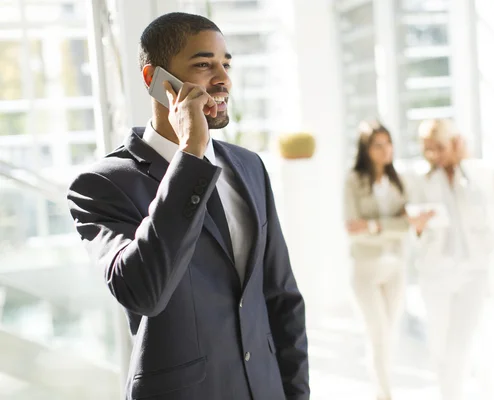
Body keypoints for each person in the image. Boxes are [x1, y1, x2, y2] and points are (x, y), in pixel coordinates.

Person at [66, 12, 308, 400]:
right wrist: (190, 155)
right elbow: (144, 292)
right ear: (155, 80)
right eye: (203, 65)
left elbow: (281, 296)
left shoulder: (249, 166)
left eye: (225, 64)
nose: (223, 78)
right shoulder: (102, 185)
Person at [407, 119, 494, 400]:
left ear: (454, 143)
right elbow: (412, 232)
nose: (433, 155)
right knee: (440, 344)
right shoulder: (418, 178)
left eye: (440, 147)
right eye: (428, 149)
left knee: (461, 342)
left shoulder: (473, 174)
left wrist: (462, 167)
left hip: (473, 271)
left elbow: (483, 214)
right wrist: (419, 226)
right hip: (437, 273)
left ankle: (453, 393)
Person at [343, 120, 410, 400]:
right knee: (378, 335)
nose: (386, 150)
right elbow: (352, 229)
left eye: (388, 143)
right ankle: (385, 395)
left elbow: (408, 224)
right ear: (366, 149)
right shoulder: (353, 180)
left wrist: (373, 226)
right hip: (366, 270)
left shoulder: (398, 180)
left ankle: (381, 391)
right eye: (378, 144)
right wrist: (390, 226)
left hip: (395, 266)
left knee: (388, 336)